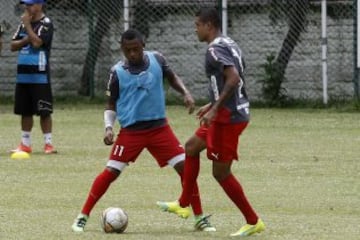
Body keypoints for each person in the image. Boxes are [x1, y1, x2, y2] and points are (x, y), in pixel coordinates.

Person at [71, 29, 216, 233]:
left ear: (143, 45)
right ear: (122, 49)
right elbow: (110, 104)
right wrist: (109, 127)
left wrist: (186, 93)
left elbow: (172, 77)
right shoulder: (117, 72)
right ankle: (82, 216)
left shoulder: (157, 59)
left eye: (136, 49)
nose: (132, 54)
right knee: (111, 172)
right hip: (131, 132)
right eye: (128, 50)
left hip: (159, 129)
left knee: (186, 168)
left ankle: (200, 217)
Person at [156, 7, 266, 237]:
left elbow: (234, 78)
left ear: (208, 25)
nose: (195, 29)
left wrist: (216, 108)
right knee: (191, 147)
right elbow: (235, 76)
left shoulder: (214, 50)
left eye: (197, 25)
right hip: (230, 110)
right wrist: (213, 103)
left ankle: (253, 220)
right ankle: (184, 202)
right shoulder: (230, 43)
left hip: (228, 118)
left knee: (221, 173)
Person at [10, 0, 56, 154]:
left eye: (30, 4)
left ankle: (48, 144)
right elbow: (12, 45)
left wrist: (28, 28)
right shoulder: (23, 23)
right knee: (25, 111)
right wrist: (26, 38)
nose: (27, 8)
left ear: (39, 5)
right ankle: (25, 143)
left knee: (44, 110)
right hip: (23, 76)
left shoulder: (46, 23)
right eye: (26, 5)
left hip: (40, 76)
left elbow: (37, 43)